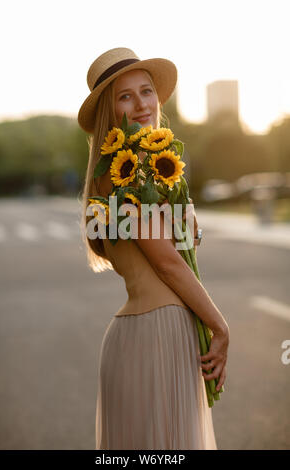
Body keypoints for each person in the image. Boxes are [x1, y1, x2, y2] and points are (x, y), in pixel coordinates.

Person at [77, 47, 230, 450]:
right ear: (111, 112)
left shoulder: (111, 175)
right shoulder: (131, 166)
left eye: (146, 91)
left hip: (139, 335)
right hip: (158, 336)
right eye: (125, 96)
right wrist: (219, 326)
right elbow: (168, 264)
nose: (142, 103)